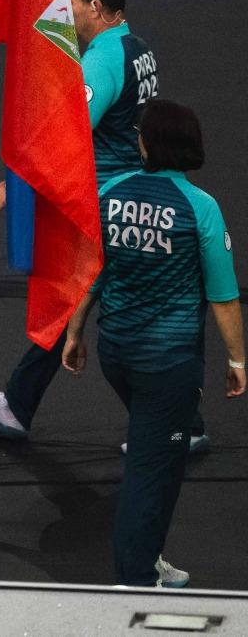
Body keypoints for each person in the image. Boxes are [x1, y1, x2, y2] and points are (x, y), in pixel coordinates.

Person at [0, 0, 202, 449]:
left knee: (114, 314)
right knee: (77, 298)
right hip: (131, 192)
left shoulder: (104, 60)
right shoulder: (139, 48)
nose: (62, 9)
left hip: (104, 205)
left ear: (95, 7)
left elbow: (66, 137)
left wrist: (11, 187)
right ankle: (18, 405)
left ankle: (183, 428)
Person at [62, 101, 243, 588]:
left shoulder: (111, 192)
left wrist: (75, 330)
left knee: (168, 454)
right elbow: (223, 296)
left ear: (151, 143)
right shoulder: (200, 207)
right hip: (168, 365)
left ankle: (150, 558)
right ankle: (134, 578)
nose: (136, 139)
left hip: (116, 353)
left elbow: (91, 271)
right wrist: (238, 359)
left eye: (141, 133)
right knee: (149, 471)